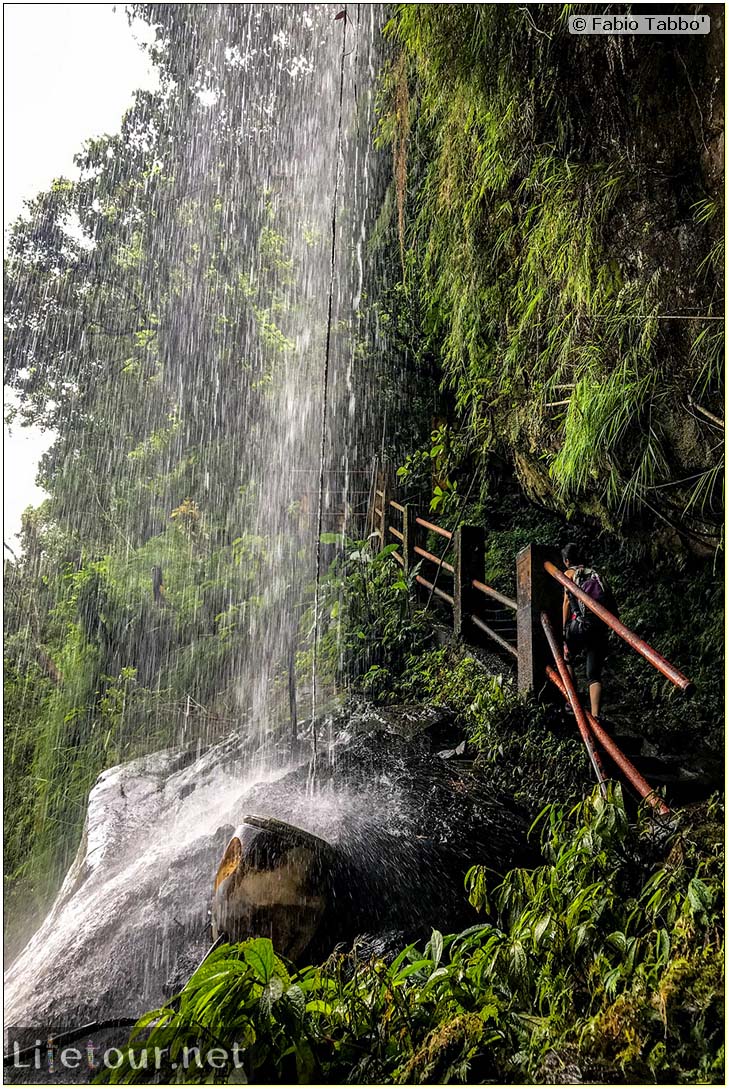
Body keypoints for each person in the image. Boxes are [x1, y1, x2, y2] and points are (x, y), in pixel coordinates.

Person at [561, 542, 618, 721]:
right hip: (599, 627)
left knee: (566, 657)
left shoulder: (569, 574)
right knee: (594, 674)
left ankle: (573, 701)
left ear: (567, 560)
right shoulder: (594, 573)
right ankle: (596, 716)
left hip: (579, 625)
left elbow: (566, 602)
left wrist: (564, 631)